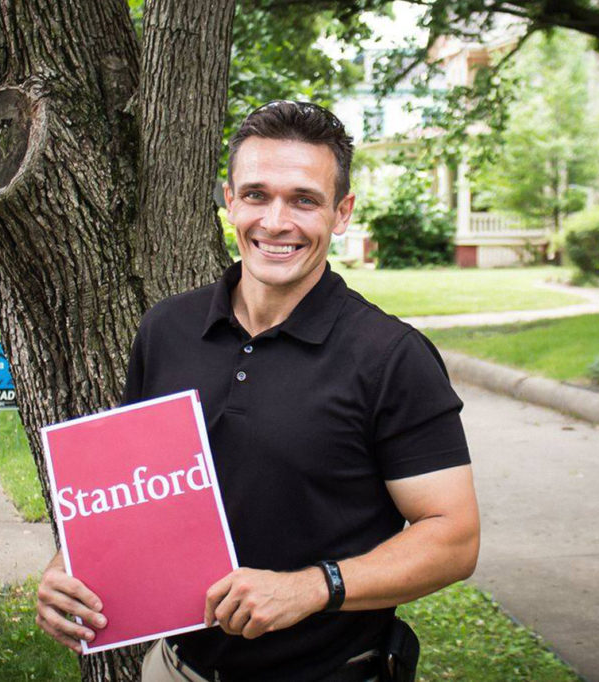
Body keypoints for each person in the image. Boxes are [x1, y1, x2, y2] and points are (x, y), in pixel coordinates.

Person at [36, 101, 480, 681]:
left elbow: (454, 538)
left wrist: (312, 588)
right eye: (256, 195)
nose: (276, 221)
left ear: (341, 213)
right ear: (229, 199)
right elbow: (131, 493)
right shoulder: (167, 329)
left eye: (303, 199)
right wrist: (70, 567)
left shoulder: (391, 357)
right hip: (174, 670)